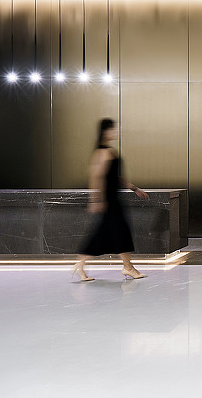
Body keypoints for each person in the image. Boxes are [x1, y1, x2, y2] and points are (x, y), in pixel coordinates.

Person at [72, 118, 150, 282]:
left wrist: (135, 188)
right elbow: (96, 177)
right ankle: (128, 267)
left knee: (106, 233)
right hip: (108, 201)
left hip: (113, 199)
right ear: (105, 131)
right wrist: (96, 201)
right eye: (112, 129)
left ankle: (80, 264)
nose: (115, 132)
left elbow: (116, 177)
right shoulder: (101, 152)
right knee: (119, 232)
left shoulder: (109, 151)